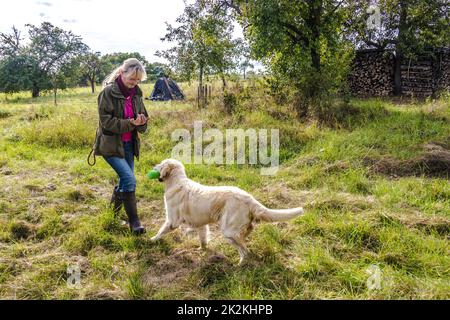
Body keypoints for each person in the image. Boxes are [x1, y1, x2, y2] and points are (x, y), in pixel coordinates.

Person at [92, 58, 149, 235]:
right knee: (130, 179)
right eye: (132, 79)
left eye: (138, 81)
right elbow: (106, 122)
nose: (134, 83)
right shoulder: (107, 93)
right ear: (122, 73)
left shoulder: (137, 94)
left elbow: (144, 118)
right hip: (111, 146)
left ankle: (111, 216)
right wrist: (131, 123)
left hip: (129, 145)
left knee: (124, 180)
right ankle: (135, 222)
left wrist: (141, 122)